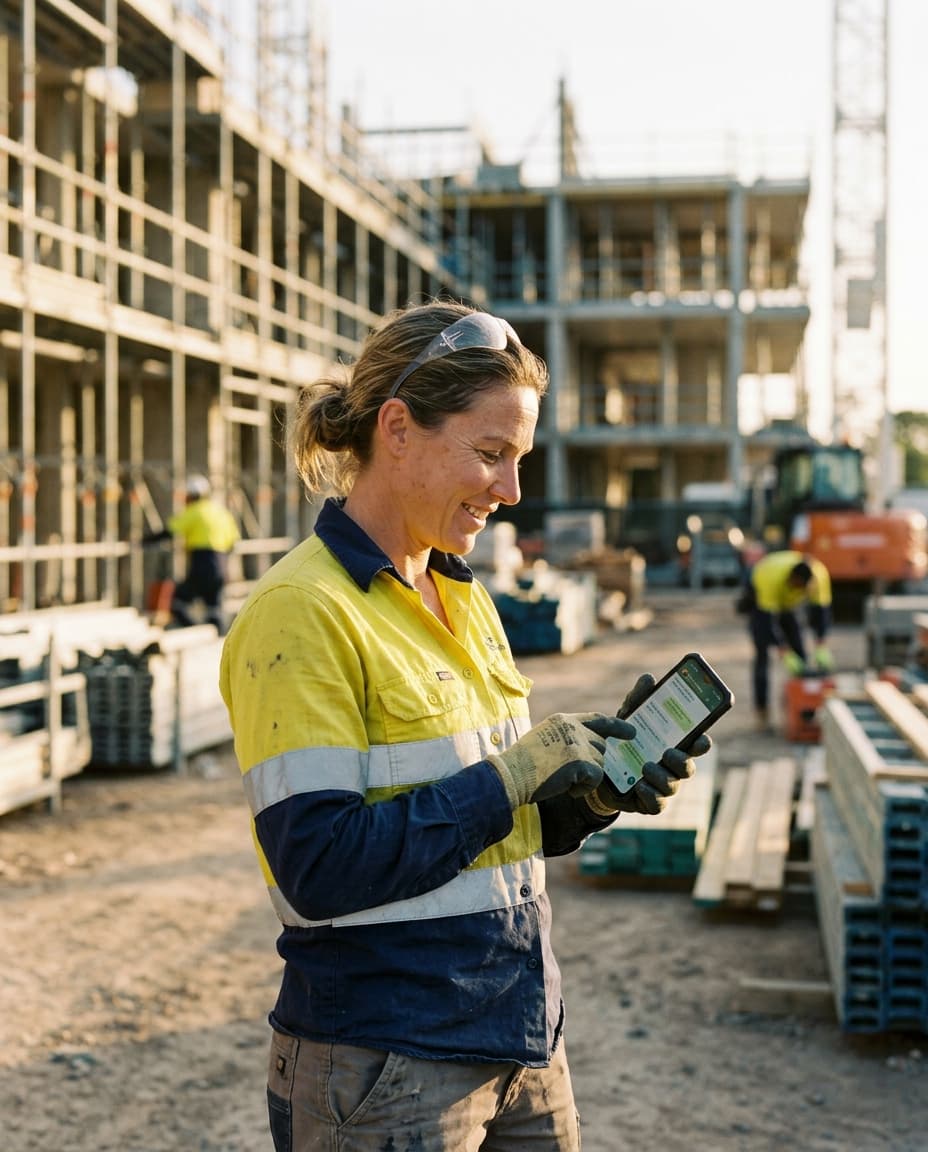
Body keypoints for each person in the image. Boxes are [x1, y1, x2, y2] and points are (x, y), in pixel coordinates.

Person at [218, 300, 711, 1152]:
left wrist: (588, 796)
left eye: (517, 460)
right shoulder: (301, 612)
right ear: (398, 428)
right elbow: (319, 869)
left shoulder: (464, 595)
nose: (511, 492)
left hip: (519, 1035)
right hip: (385, 1064)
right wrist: (511, 776)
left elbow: (492, 843)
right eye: (490, 454)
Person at [742, 548, 833, 729]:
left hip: (787, 604)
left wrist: (821, 644)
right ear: (790, 579)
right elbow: (767, 623)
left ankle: (804, 710)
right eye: (795, 585)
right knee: (762, 654)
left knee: (800, 652)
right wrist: (783, 651)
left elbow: (821, 612)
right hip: (759, 596)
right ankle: (762, 711)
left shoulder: (819, 576)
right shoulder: (769, 578)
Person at [144, 474, 240, 633]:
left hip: (202, 563)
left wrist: (143, 541)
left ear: (191, 496)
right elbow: (233, 541)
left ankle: (196, 631)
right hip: (221, 565)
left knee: (177, 602)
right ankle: (216, 639)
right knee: (214, 610)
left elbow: (170, 531)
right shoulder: (221, 512)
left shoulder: (196, 511)